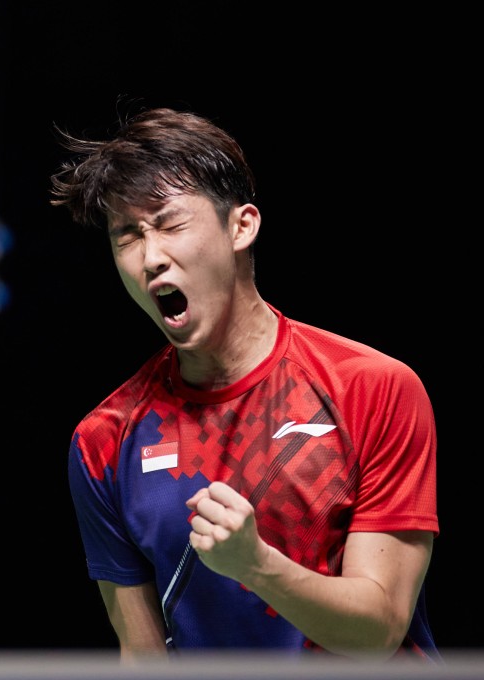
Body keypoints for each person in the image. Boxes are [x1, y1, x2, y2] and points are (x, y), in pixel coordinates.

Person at [49, 107, 440, 664]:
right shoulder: (105, 442)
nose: (151, 257)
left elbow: (376, 633)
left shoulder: (372, 389)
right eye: (127, 236)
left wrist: (255, 564)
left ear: (242, 226)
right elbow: (142, 658)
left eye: (168, 223)